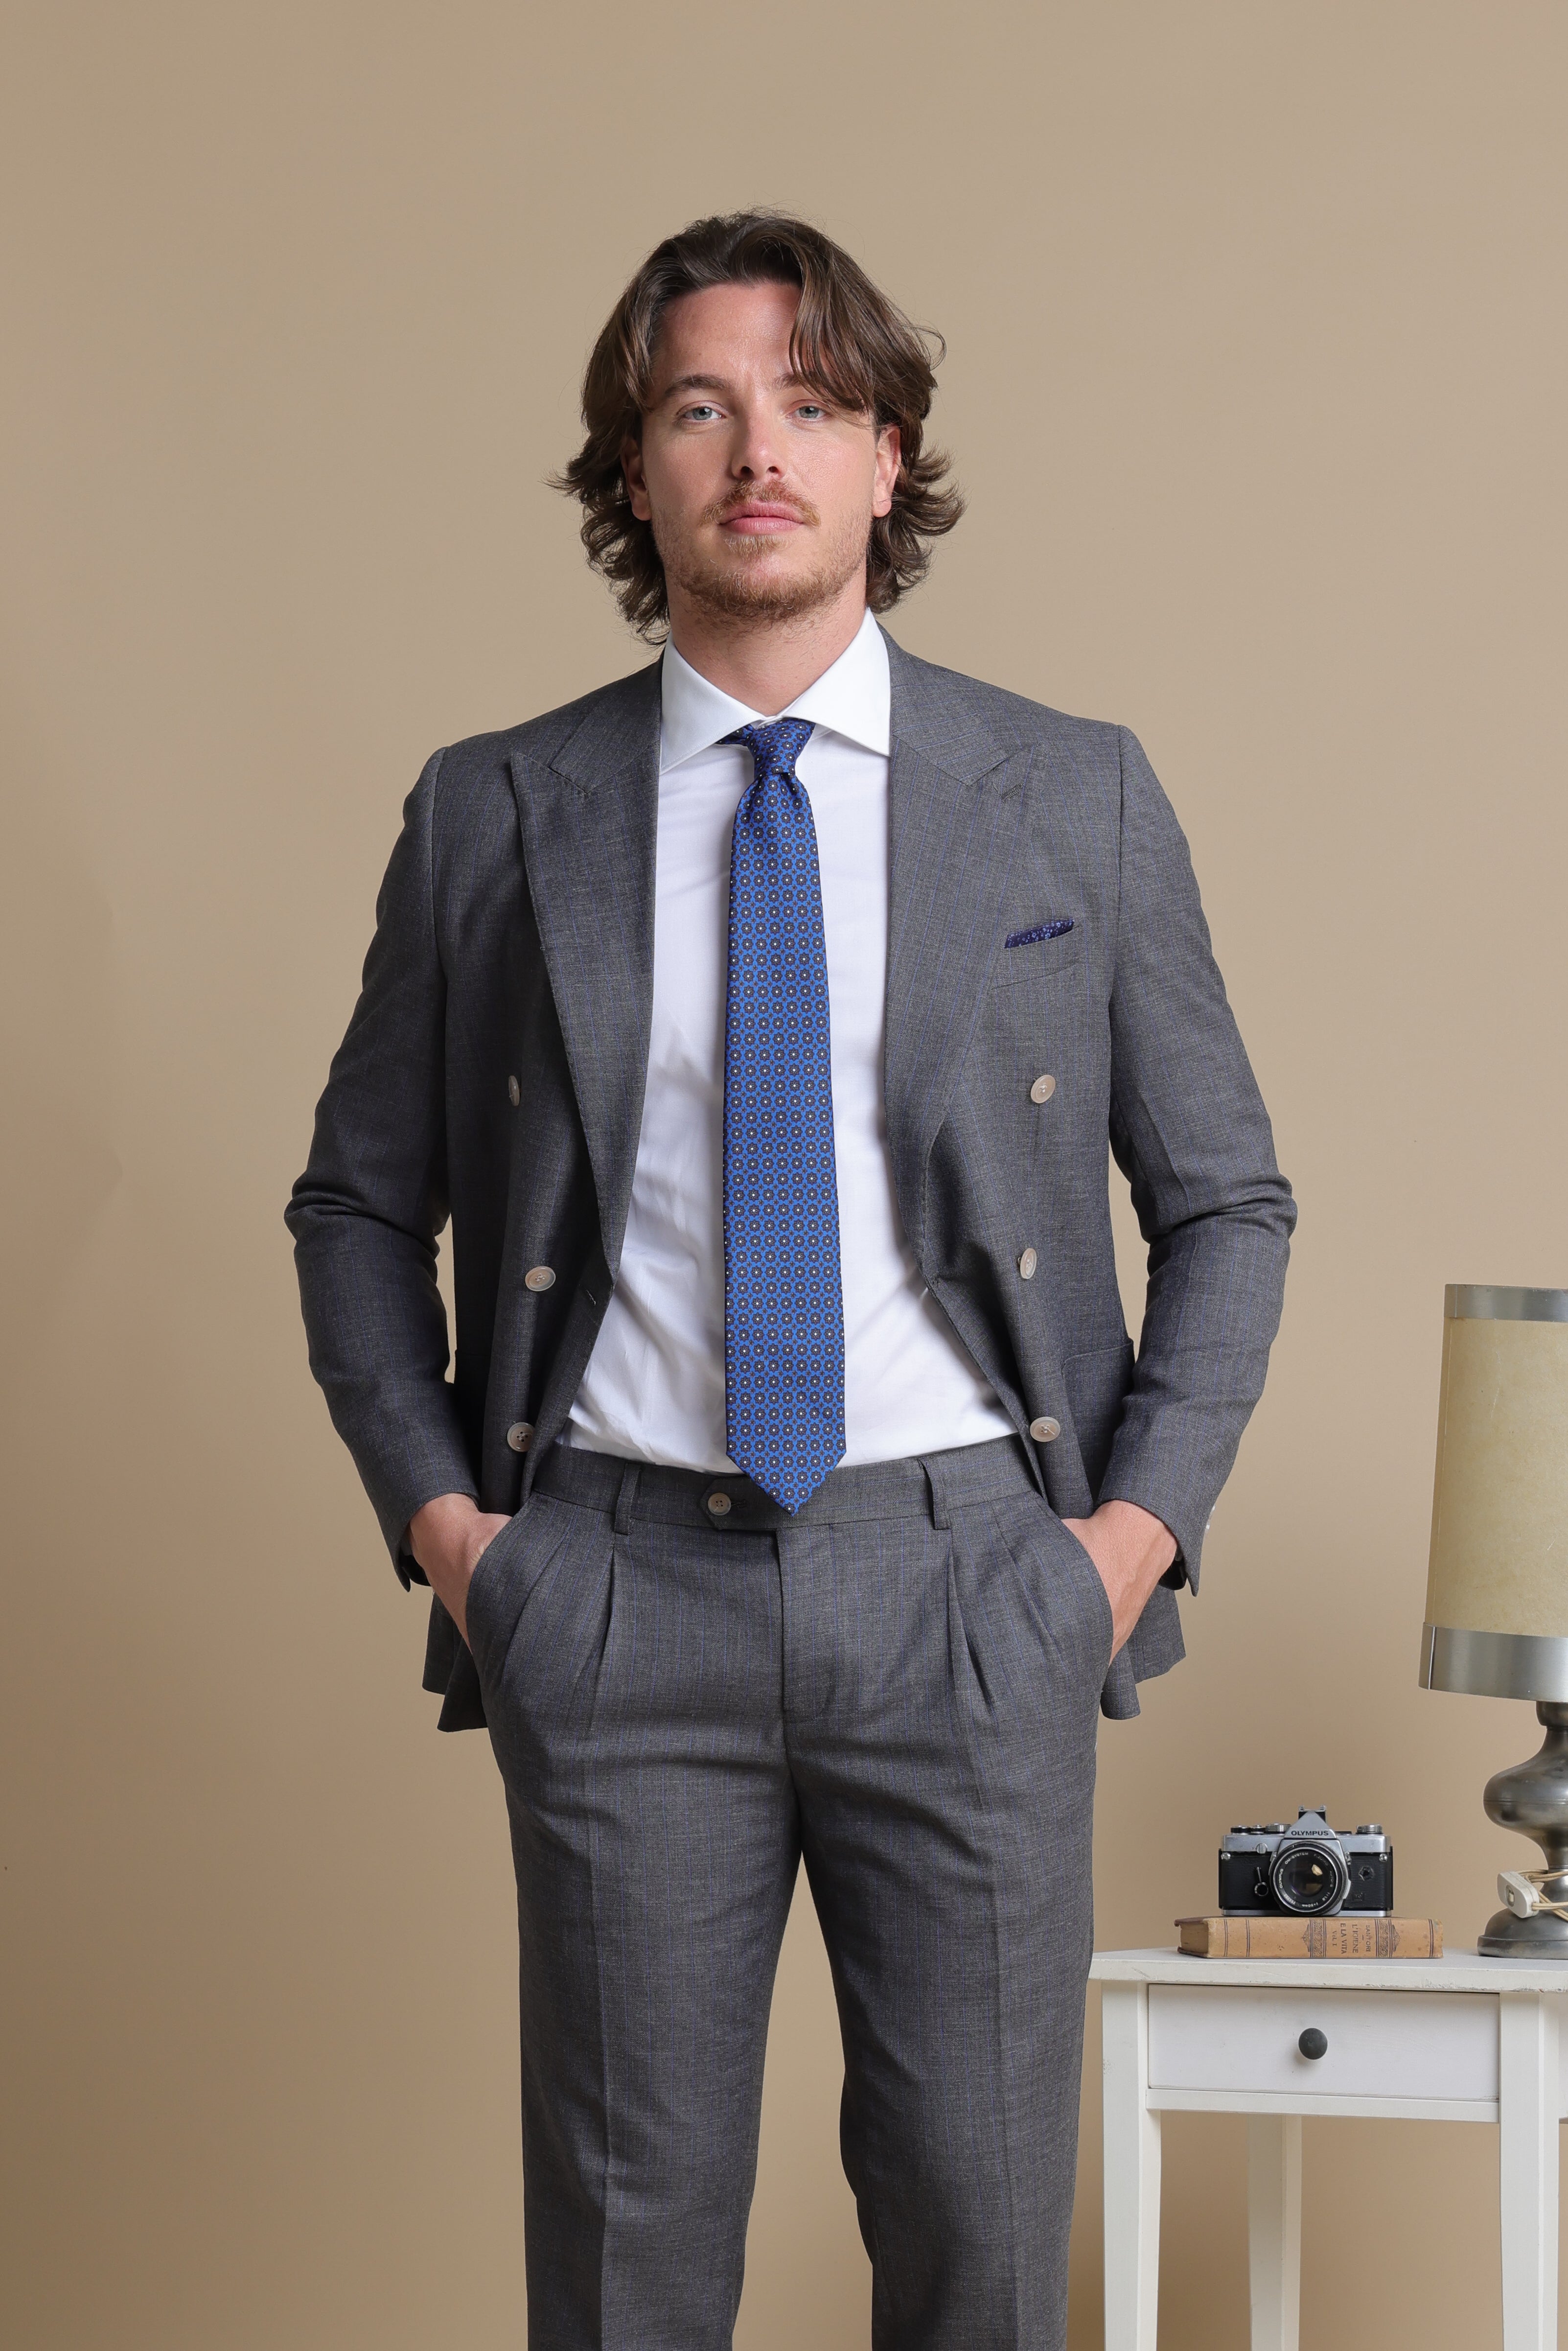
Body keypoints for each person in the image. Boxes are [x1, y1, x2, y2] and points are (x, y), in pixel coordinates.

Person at [287, 210, 1294, 2351]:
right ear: (636, 469)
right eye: (702, 406)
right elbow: (356, 1210)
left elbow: (1228, 1203)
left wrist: (1116, 1548)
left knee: (982, 2249)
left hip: (974, 1589)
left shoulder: (1075, 798)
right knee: (627, 2270)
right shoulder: (493, 814)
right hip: (614, 1591)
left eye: (813, 405)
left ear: (885, 453)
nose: (760, 449)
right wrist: (465, 1543)